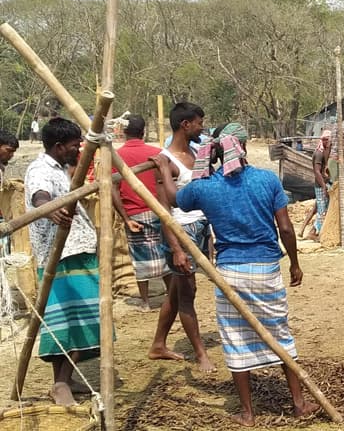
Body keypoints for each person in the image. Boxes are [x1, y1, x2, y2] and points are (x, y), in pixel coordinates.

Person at [176, 131, 317, 426]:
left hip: (230, 273)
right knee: (279, 333)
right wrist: (295, 263)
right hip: (266, 269)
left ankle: (247, 413)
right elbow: (287, 229)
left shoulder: (205, 187)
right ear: (243, 151)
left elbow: (179, 200)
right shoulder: (267, 180)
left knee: (235, 337)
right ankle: (299, 403)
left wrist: (175, 169)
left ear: (214, 155)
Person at [24, 118, 99, 406]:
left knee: (76, 320)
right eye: (73, 145)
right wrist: (49, 209)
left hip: (77, 251)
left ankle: (65, 380)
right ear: (58, 147)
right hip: (62, 255)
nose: (78, 149)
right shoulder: (40, 169)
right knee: (69, 321)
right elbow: (39, 197)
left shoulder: (62, 170)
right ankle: (60, 383)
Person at [150, 102, 215, 372]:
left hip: (199, 227)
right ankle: (201, 354)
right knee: (187, 293)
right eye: (199, 122)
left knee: (177, 292)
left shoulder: (197, 153)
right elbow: (165, 210)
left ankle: (158, 345)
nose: (202, 127)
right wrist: (176, 248)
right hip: (179, 232)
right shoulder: (165, 162)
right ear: (185, 124)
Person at [111, 114, 169, 310]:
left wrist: (125, 218)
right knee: (166, 254)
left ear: (124, 132)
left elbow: (114, 189)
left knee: (140, 258)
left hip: (134, 213)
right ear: (143, 132)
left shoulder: (117, 156)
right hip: (159, 211)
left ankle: (145, 302)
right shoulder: (157, 153)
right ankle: (171, 296)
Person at [311, 129, 332, 238]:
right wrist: (324, 186)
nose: (326, 142)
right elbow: (317, 171)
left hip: (326, 183)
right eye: (324, 139)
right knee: (321, 209)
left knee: (326, 208)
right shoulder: (319, 153)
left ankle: (317, 230)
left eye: (328, 139)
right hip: (320, 185)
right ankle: (317, 232)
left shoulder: (327, 151)